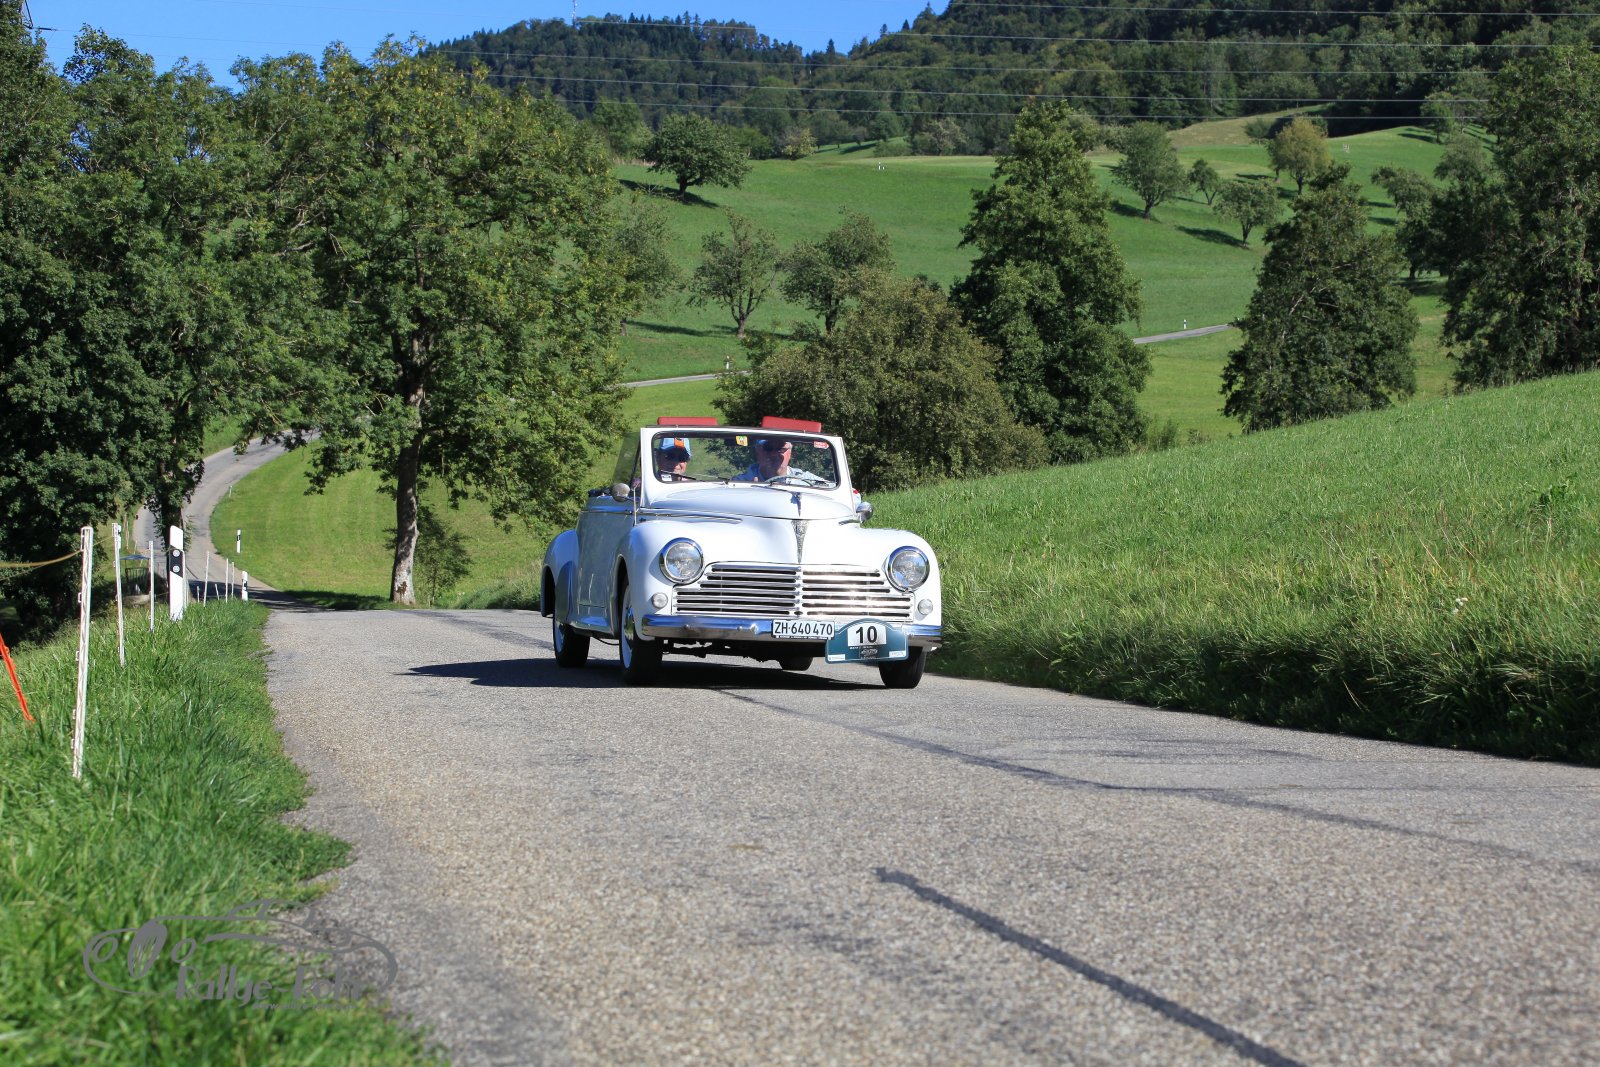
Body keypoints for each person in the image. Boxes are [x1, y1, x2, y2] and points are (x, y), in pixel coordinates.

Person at [735, 437, 827, 484]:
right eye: (768, 448)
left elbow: (831, 490)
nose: (774, 454)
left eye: (780, 449)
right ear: (758, 453)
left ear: (790, 453)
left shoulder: (805, 480)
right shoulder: (741, 482)